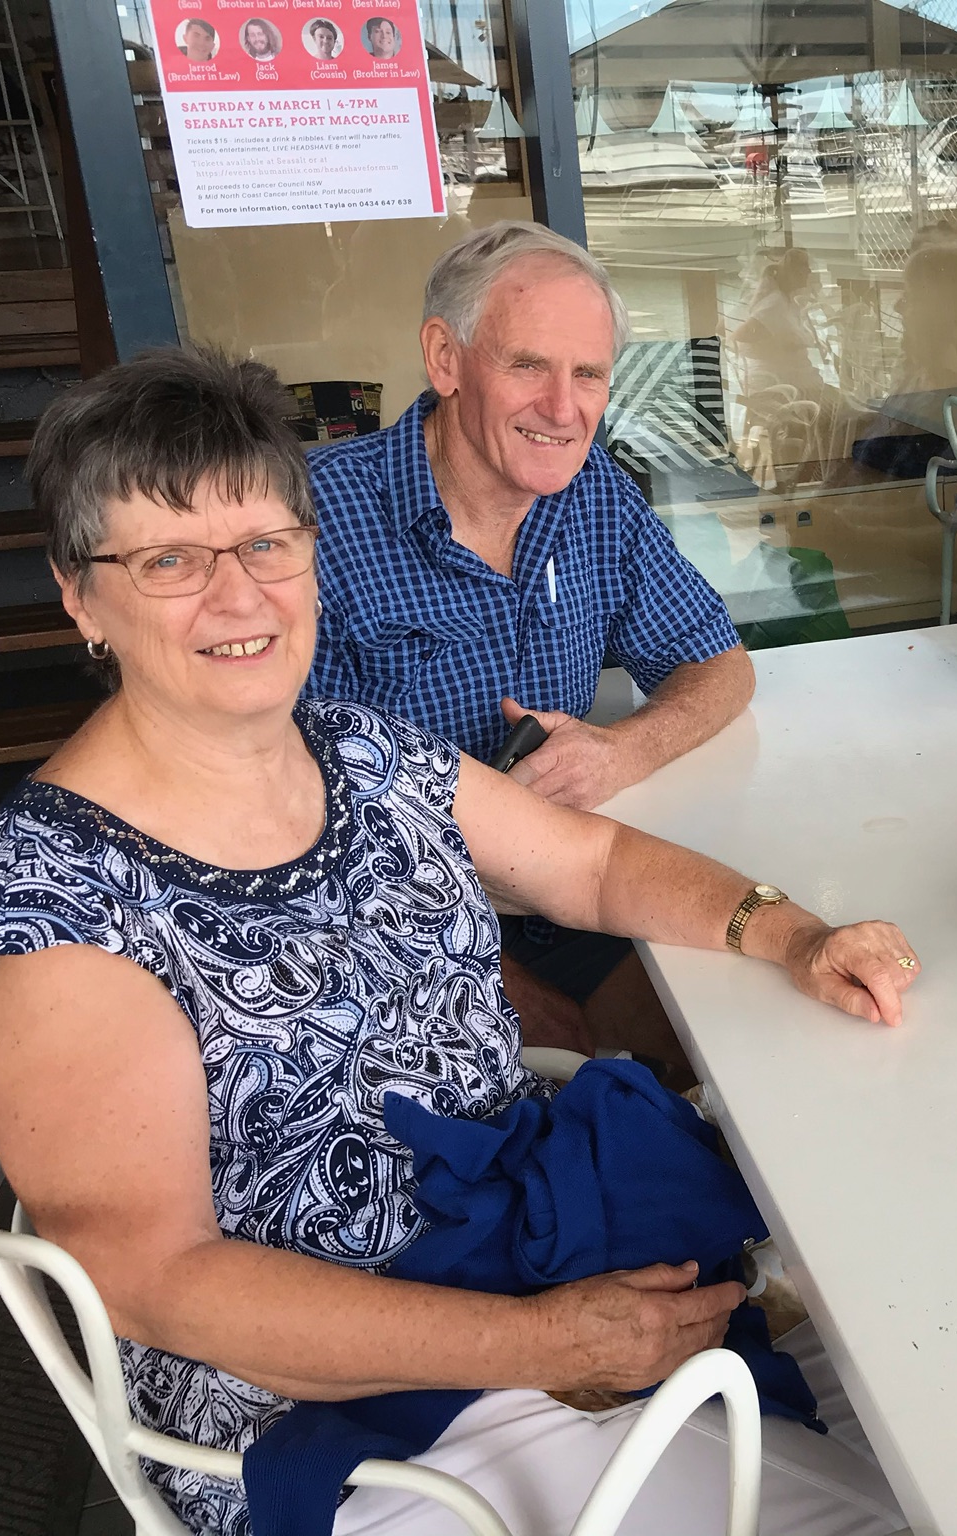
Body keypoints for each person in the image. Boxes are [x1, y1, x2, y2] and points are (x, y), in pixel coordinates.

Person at [0, 348, 914, 1536]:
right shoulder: (55, 906)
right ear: (81, 596)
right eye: (169, 561)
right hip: (353, 1408)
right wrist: (539, 1343)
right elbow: (160, 1283)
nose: (239, 597)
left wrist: (791, 933)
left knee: (930, 1385)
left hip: (533, 1239)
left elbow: (590, 864)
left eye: (266, 544)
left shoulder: (356, 748)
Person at [308, 221, 754, 1059]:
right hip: (391, 936)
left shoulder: (591, 494)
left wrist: (620, 752)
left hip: (575, 893)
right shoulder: (311, 527)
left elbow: (718, 662)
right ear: (445, 359)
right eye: (527, 366)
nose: (563, 408)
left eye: (589, 374)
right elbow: (272, 819)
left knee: (746, 1024)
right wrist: (485, 979)